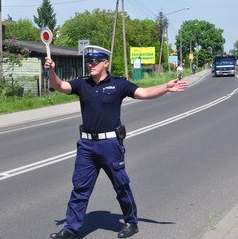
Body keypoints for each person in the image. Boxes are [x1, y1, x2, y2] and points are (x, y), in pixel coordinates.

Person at [44, 45, 189, 239]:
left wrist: (166, 88)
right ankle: (71, 229)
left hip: (110, 145)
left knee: (121, 186)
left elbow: (144, 93)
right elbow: (59, 86)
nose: (90, 65)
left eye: (95, 61)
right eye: (88, 61)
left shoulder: (119, 84)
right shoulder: (82, 84)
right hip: (86, 146)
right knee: (80, 188)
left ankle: (131, 222)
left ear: (105, 62)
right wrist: (51, 71)